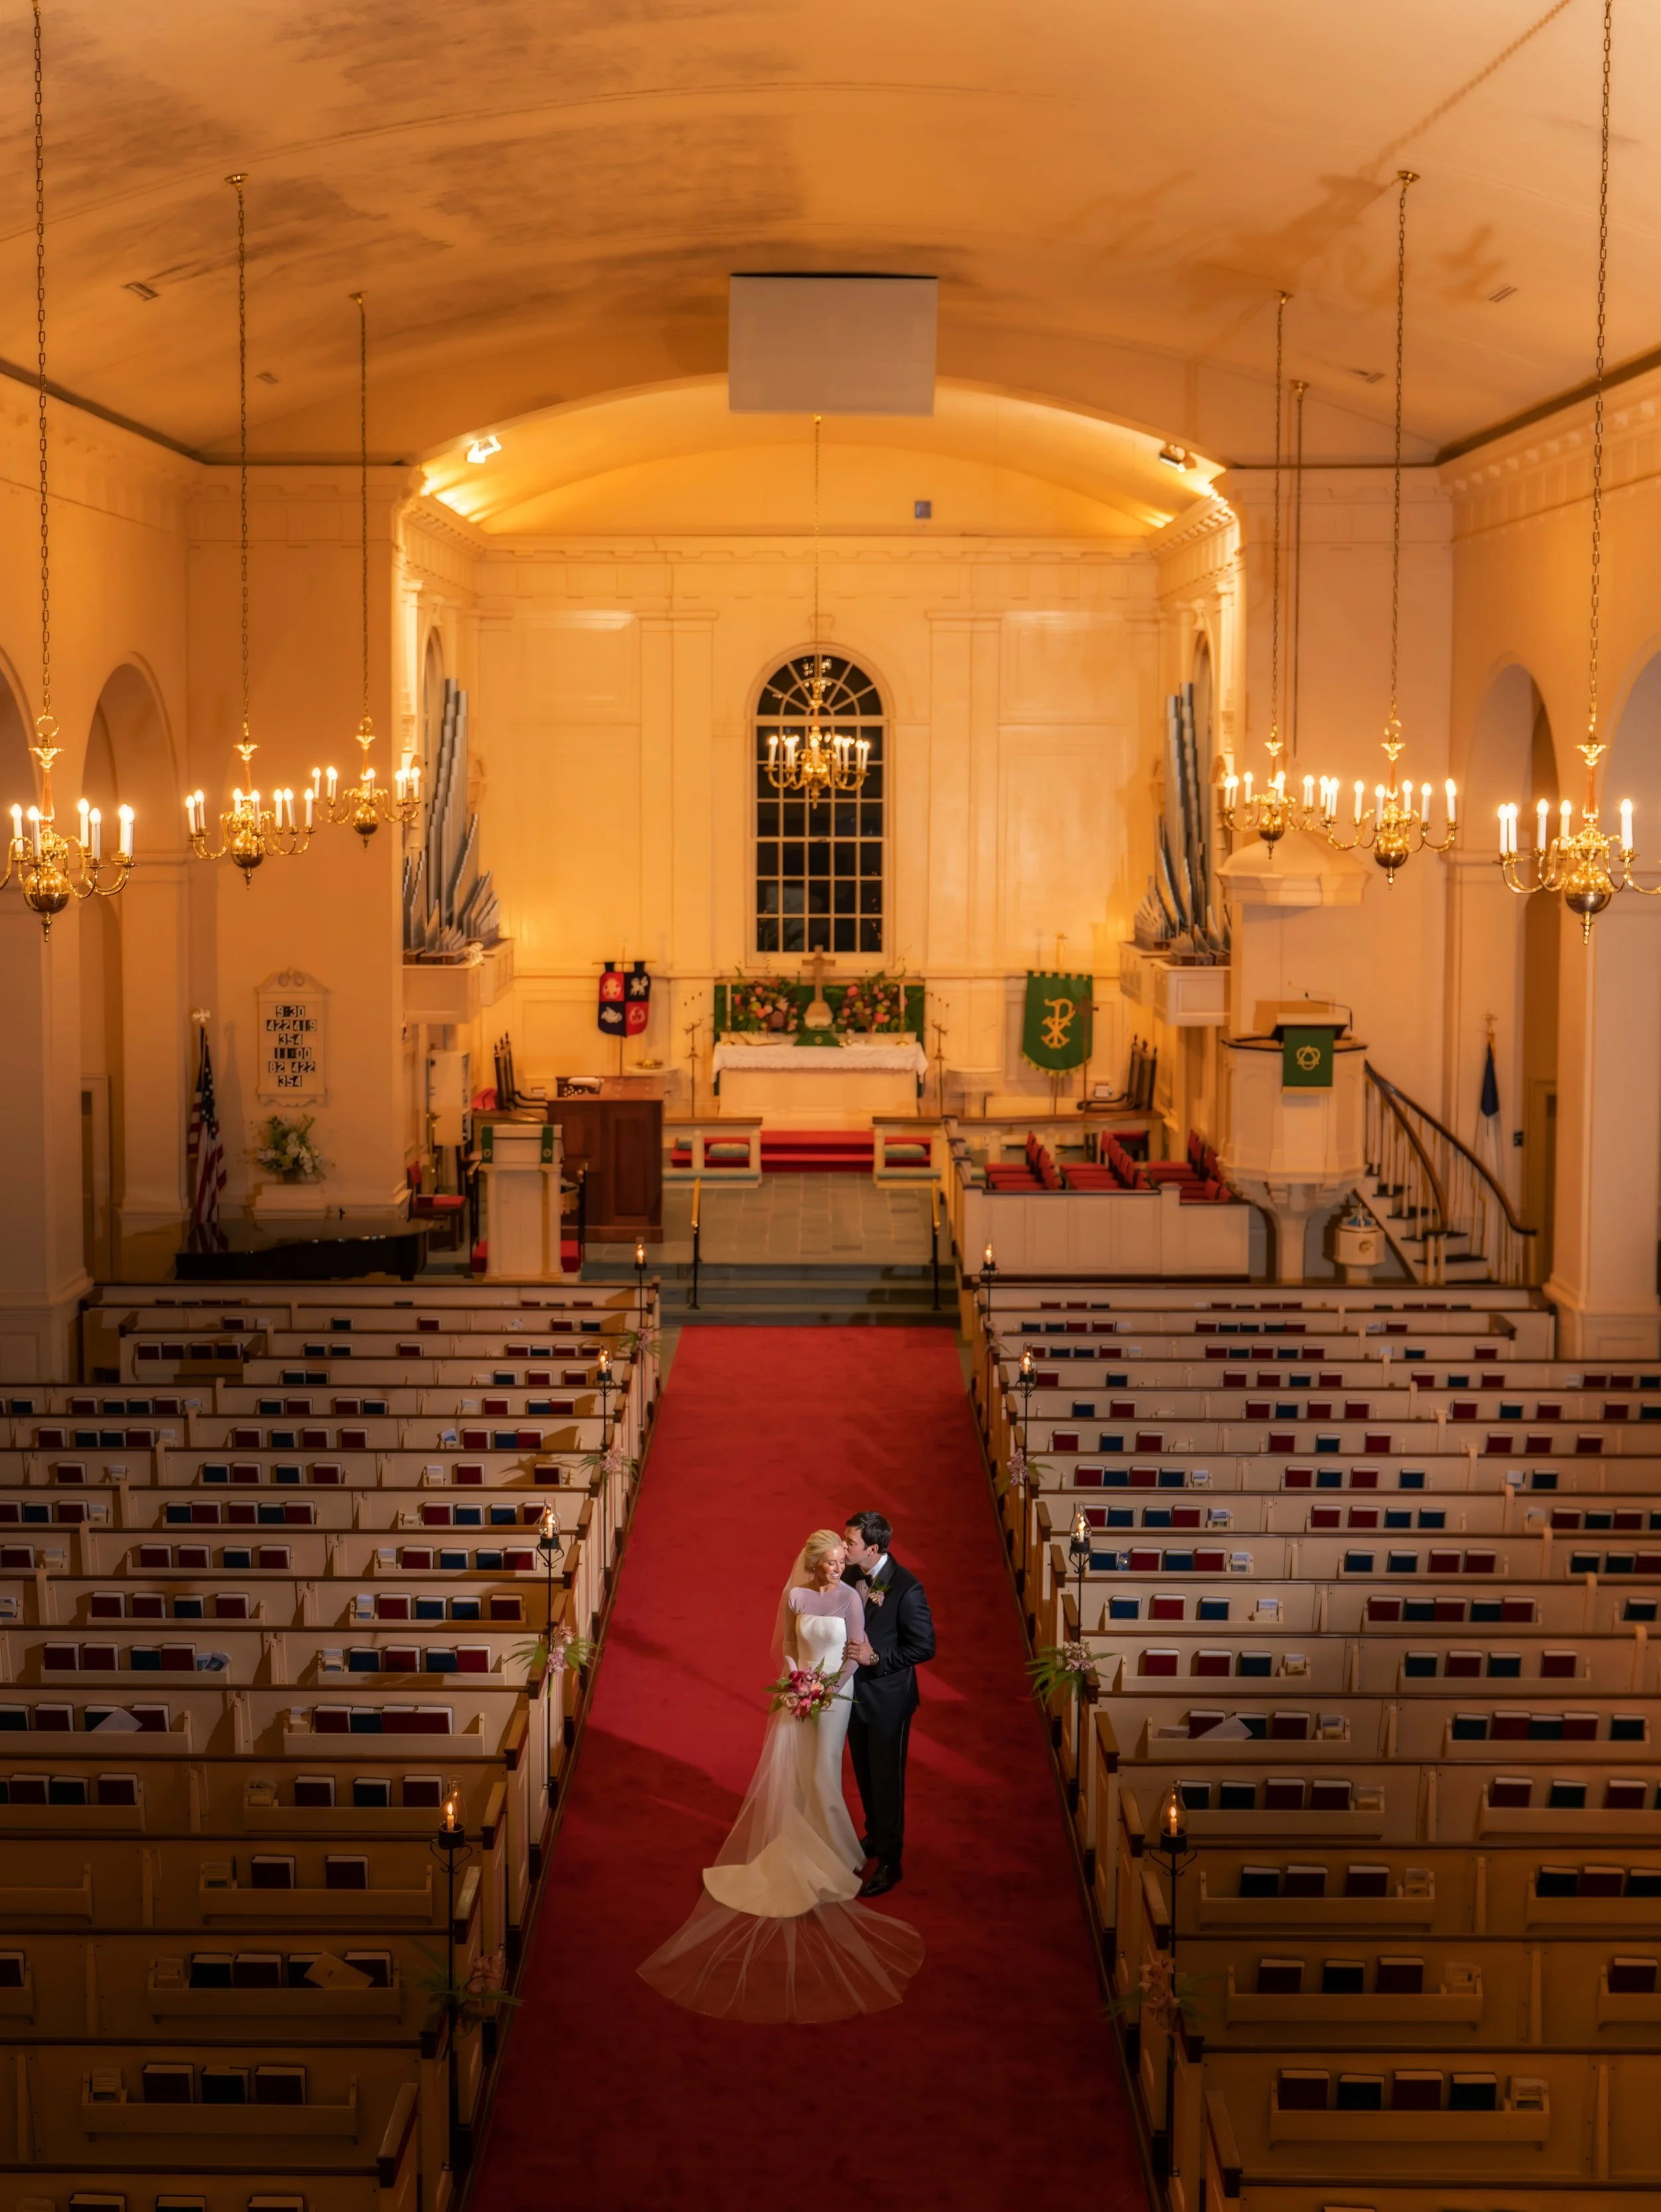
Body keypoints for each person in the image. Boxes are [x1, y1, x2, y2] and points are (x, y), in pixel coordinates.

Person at [638, 1528, 924, 2022]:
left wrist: (827, 1688)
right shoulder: (796, 1595)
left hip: (835, 1698)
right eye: (832, 1562)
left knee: (821, 1775)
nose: (840, 1568)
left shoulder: (853, 1599)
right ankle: (821, 1845)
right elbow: (790, 1645)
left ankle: (841, 1854)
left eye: (843, 1560)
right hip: (801, 1693)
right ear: (814, 1563)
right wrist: (797, 1680)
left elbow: (856, 1656)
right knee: (796, 1773)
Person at [842, 1511, 935, 1897]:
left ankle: (891, 1861)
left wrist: (876, 1658)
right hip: (851, 1695)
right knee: (863, 1773)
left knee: (887, 1781)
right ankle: (875, 1835)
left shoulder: (908, 1589)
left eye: (850, 1543)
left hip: (888, 1703)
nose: (843, 1547)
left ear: (873, 1549)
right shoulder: (850, 1573)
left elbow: (924, 1647)